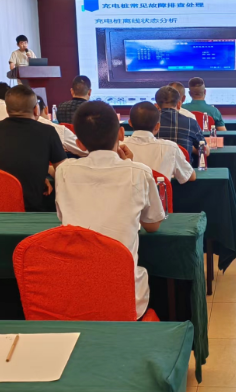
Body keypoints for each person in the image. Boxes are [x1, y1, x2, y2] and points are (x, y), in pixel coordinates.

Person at [55, 101, 165, 319]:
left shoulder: (64, 171)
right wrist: (130, 166)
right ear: (121, 133)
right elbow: (152, 225)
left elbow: (63, 218)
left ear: (79, 143)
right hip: (122, 295)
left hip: (73, 291)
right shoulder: (139, 172)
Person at [0, 85, 66, 211]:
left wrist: (39, 176)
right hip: (32, 207)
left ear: (7, 110)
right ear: (36, 110)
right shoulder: (48, 132)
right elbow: (63, 172)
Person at [124, 101, 196, 183]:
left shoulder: (120, 146)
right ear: (157, 126)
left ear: (130, 123)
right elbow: (190, 176)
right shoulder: (170, 148)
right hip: (159, 191)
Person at [156, 85, 209, 159]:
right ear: (179, 104)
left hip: (155, 166)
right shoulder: (191, 122)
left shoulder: (150, 123)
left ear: (157, 105)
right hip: (183, 166)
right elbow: (205, 151)